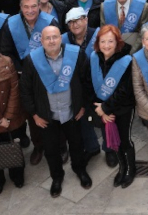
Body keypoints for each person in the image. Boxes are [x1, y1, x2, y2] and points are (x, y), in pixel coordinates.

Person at [20, 25, 91, 198]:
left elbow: (86, 82)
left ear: (61, 38)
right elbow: (25, 90)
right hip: (47, 116)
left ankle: (80, 170)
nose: (52, 41)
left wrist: (82, 106)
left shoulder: (75, 54)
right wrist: (34, 114)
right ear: (41, 41)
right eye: (47, 38)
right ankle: (57, 177)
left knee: (77, 144)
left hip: (71, 112)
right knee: (51, 150)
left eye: (55, 37)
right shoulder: (32, 60)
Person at [83, 24, 135, 187]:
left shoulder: (126, 60)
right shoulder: (93, 57)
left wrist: (105, 108)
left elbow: (125, 90)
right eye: (103, 41)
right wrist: (100, 110)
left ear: (117, 42)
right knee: (115, 142)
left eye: (110, 42)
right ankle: (121, 168)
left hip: (122, 108)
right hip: (101, 108)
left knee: (124, 140)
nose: (106, 45)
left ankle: (130, 170)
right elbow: (87, 84)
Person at [0, 48, 24, 193]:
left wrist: (7, 117)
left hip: (11, 118)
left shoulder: (7, 62)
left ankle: (17, 176)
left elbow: (15, 90)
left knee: (14, 146)